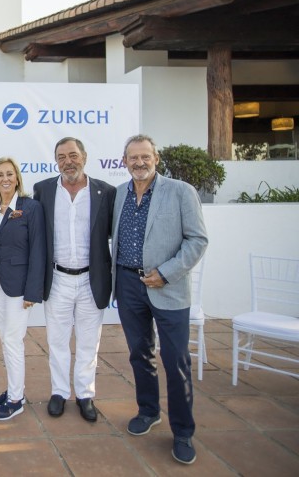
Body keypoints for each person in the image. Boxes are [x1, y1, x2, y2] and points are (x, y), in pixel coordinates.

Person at [112, 134, 208, 465]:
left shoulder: (181, 191)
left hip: (168, 286)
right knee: (139, 353)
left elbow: (197, 240)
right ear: (124, 161)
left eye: (145, 157)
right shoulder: (120, 193)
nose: (139, 163)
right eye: (133, 157)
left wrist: (166, 273)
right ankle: (148, 411)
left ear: (156, 158)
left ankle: (182, 432)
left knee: (175, 359)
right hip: (128, 283)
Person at [32, 137, 115, 422]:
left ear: (84, 157)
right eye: (61, 157)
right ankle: (59, 392)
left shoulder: (106, 191)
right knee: (57, 341)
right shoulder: (43, 190)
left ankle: (85, 394)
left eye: (73, 155)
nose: (68, 162)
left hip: (92, 279)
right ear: (56, 161)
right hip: (57, 279)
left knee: (89, 342)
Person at [0, 157, 45, 420]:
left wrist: (32, 291)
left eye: (9, 174)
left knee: (13, 341)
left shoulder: (31, 207)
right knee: (6, 339)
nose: (5, 179)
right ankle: (14, 389)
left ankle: (16, 399)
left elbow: (38, 249)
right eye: (0, 175)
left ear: (17, 177)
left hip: (20, 288)